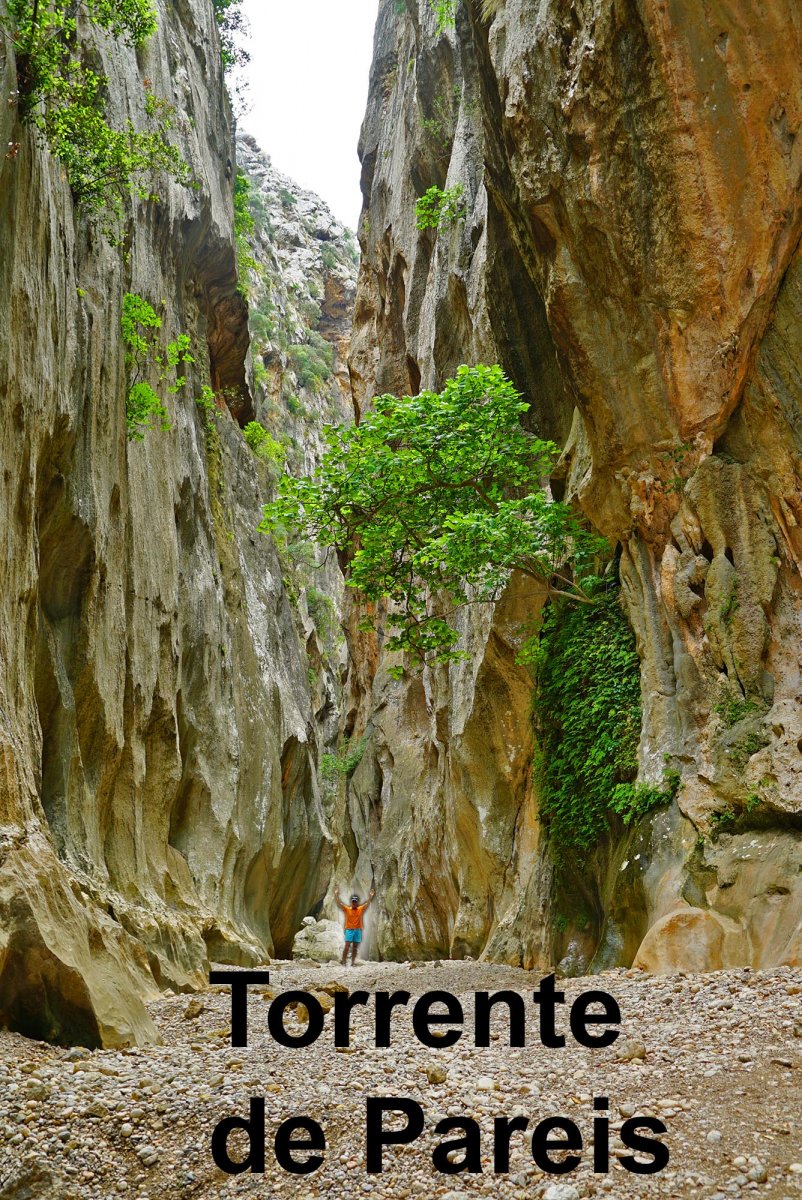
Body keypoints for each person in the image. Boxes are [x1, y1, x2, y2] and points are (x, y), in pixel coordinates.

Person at [334, 883, 375, 965]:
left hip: (358, 930)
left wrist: (371, 896)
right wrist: (336, 895)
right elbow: (339, 904)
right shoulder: (347, 909)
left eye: (355, 902)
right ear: (351, 902)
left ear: (357, 903)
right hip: (349, 930)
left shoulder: (360, 909)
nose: (354, 903)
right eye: (353, 902)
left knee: (355, 947)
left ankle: (353, 962)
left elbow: (367, 904)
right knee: (347, 946)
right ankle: (343, 960)